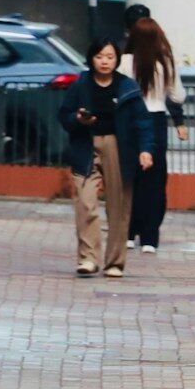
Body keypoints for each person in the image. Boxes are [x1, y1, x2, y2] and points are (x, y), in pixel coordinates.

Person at [57, 38, 154, 278]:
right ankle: (88, 259)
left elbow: (142, 122)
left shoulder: (127, 87)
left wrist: (146, 149)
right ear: (91, 58)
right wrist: (78, 120)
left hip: (119, 146)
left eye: (110, 57)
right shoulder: (81, 85)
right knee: (85, 202)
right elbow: (64, 115)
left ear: (117, 60)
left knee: (119, 206)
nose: (104, 62)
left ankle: (115, 262)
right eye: (100, 56)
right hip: (85, 144)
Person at [121, 17, 187, 254]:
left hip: (130, 120)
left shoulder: (124, 62)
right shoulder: (165, 62)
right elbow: (178, 95)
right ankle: (150, 237)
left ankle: (128, 233)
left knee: (130, 177)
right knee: (155, 181)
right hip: (157, 119)